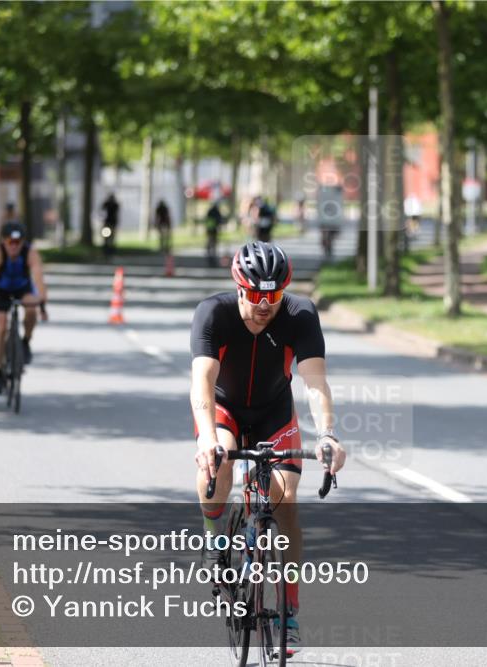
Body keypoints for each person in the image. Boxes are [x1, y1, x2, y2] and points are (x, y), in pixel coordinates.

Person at [190, 241, 347, 653]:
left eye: (273, 296)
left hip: (274, 410)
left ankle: (288, 609)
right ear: (239, 288)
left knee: (286, 498)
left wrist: (327, 434)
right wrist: (207, 438)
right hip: (224, 409)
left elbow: (315, 383)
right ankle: (214, 539)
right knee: (218, 463)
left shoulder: (300, 315)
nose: (264, 305)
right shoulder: (213, 313)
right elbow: (202, 383)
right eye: (256, 295)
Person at [0, 221, 48, 394]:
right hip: (1, 290)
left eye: (17, 242)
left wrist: (42, 303)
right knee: (1, 325)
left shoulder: (30, 253)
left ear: (23, 242)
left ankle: (26, 342)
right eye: (10, 242)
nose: (14, 246)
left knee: (30, 310)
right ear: (3, 242)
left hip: (22, 288)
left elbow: (38, 280)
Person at [205, 199, 224, 267]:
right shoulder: (216, 211)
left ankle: (210, 253)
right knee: (213, 243)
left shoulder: (210, 211)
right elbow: (219, 220)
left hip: (210, 229)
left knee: (211, 242)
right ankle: (212, 253)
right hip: (213, 229)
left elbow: (207, 220)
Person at [101, 193, 120, 258]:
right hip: (108, 223)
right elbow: (102, 208)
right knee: (107, 238)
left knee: (111, 239)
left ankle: (110, 251)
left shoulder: (115, 205)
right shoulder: (109, 204)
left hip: (111, 224)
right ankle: (106, 251)